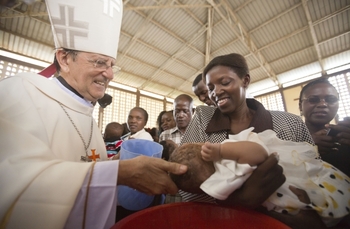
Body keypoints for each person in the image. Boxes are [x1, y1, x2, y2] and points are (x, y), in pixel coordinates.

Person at [0, 1, 187, 228]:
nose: (109, 74)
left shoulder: (85, 112)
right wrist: (117, 172)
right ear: (65, 59)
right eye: (99, 62)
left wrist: (113, 165)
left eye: (112, 65)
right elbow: (12, 183)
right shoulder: (19, 93)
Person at [179, 53, 326, 228]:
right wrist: (231, 203)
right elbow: (183, 178)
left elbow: (318, 174)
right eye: (210, 87)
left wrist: (308, 213)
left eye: (225, 82)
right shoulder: (203, 119)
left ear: (245, 80)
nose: (216, 92)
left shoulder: (289, 124)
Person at [170, 127, 350, 227]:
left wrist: (221, 150)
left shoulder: (226, 152)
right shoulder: (217, 179)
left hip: (295, 177)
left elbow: (259, 153)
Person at [299, 78, 350, 177]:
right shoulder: (287, 139)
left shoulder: (345, 138)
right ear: (300, 106)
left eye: (331, 100)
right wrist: (307, 149)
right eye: (313, 99)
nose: (322, 104)